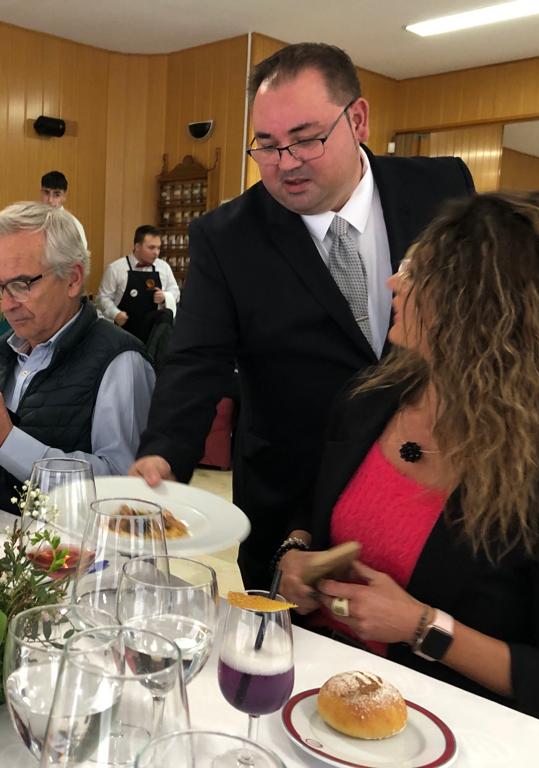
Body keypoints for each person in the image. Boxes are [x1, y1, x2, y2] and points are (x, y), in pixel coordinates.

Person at [130, 43, 475, 589]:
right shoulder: (227, 237)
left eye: (306, 139)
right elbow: (196, 360)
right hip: (294, 493)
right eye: (266, 146)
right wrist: (162, 456)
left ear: (357, 119)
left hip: (432, 485)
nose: (286, 162)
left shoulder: (441, 190)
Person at [276, 191, 539, 728]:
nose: (394, 282)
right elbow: (311, 510)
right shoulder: (370, 401)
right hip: (312, 698)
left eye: (417, 273)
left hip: (439, 733)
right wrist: (296, 554)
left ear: (482, 309)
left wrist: (424, 627)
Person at [0, 202, 155, 512]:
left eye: (21, 284)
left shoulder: (119, 361)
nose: (7, 304)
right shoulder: (3, 350)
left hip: (64, 553)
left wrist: (6, 445)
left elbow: (124, 488)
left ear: (73, 279)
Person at [96, 225, 180, 341]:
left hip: (154, 334)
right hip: (123, 332)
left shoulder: (164, 267)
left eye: (158, 248)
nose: (156, 253)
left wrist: (165, 296)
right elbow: (102, 298)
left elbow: (175, 291)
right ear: (137, 246)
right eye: (151, 248)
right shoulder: (116, 268)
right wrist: (115, 314)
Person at [40, 170, 88, 250]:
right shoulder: (33, 222)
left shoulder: (73, 225)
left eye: (56, 195)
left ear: (64, 196)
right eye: (46, 193)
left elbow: (81, 258)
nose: (50, 200)